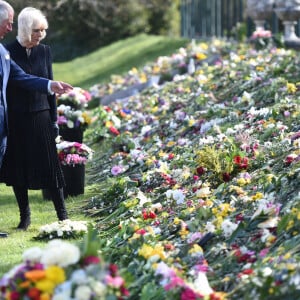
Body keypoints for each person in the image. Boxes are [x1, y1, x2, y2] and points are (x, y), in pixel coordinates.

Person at [0, 1, 72, 235]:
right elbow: (17, 81)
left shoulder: (44, 51)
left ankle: (63, 216)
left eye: (43, 30)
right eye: (36, 30)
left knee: (51, 169)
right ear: (24, 29)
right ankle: (25, 217)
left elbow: (42, 82)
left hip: (41, 116)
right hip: (17, 118)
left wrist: (54, 118)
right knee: (18, 169)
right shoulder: (8, 51)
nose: (41, 35)